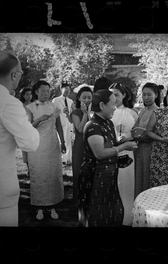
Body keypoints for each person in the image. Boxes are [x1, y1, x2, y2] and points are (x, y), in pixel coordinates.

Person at [0, 50, 40, 226]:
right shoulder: (10, 103)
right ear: (14, 74)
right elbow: (31, 143)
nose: (20, 76)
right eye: (20, 73)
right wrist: (27, 122)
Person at [78, 89, 138, 227]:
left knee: (112, 213)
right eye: (112, 104)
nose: (115, 108)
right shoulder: (93, 126)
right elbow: (100, 153)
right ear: (101, 105)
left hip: (109, 178)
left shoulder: (108, 123)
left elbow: (111, 144)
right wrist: (122, 148)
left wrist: (126, 142)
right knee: (96, 216)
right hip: (94, 179)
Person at [26, 80, 66, 221]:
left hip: (52, 144)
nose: (46, 93)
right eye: (43, 91)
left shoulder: (53, 106)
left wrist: (63, 141)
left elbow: (59, 125)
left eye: (48, 91)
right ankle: (39, 207)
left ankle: (52, 205)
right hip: (37, 146)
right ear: (36, 91)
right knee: (40, 174)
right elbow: (27, 128)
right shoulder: (30, 108)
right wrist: (39, 120)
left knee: (52, 175)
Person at [109, 82, 138, 226]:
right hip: (109, 152)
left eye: (117, 94)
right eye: (111, 94)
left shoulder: (131, 113)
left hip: (127, 151)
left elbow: (137, 135)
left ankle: (127, 216)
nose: (114, 98)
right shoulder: (107, 111)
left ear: (124, 95)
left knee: (126, 183)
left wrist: (128, 137)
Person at [132, 82, 161, 198]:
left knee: (149, 178)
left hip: (152, 150)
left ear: (156, 95)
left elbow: (158, 133)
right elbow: (134, 129)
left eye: (149, 94)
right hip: (139, 150)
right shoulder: (142, 111)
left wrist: (146, 135)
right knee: (139, 177)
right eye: (144, 95)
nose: (146, 97)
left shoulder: (159, 112)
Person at [68, 86, 93, 205]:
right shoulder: (76, 112)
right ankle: (79, 200)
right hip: (80, 145)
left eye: (89, 97)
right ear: (79, 98)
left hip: (93, 145)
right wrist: (84, 114)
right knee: (79, 171)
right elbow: (80, 129)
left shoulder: (94, 112)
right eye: (84, 98)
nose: (87, 100)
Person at [52, 83, 74, 165]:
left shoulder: (70, 101)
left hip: (68, 123)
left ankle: (68, 159)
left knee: (68, 141)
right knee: (61, 141)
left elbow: (71, 113)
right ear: (61, 89)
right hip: (60, 123)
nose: (67, 91)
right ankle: (61, 160)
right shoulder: (56, 100)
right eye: (66, 89)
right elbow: (54, 113)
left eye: (69, 89)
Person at [19, 87, 34, 176]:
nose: (29, 96)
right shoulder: (20, 105)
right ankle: (29, 169)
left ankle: (34, 168)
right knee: (26, 151)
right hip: (24, 130)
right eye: (27, 94)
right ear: (23, 95)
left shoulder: (34, 105)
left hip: (34, 129)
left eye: (30, 94)